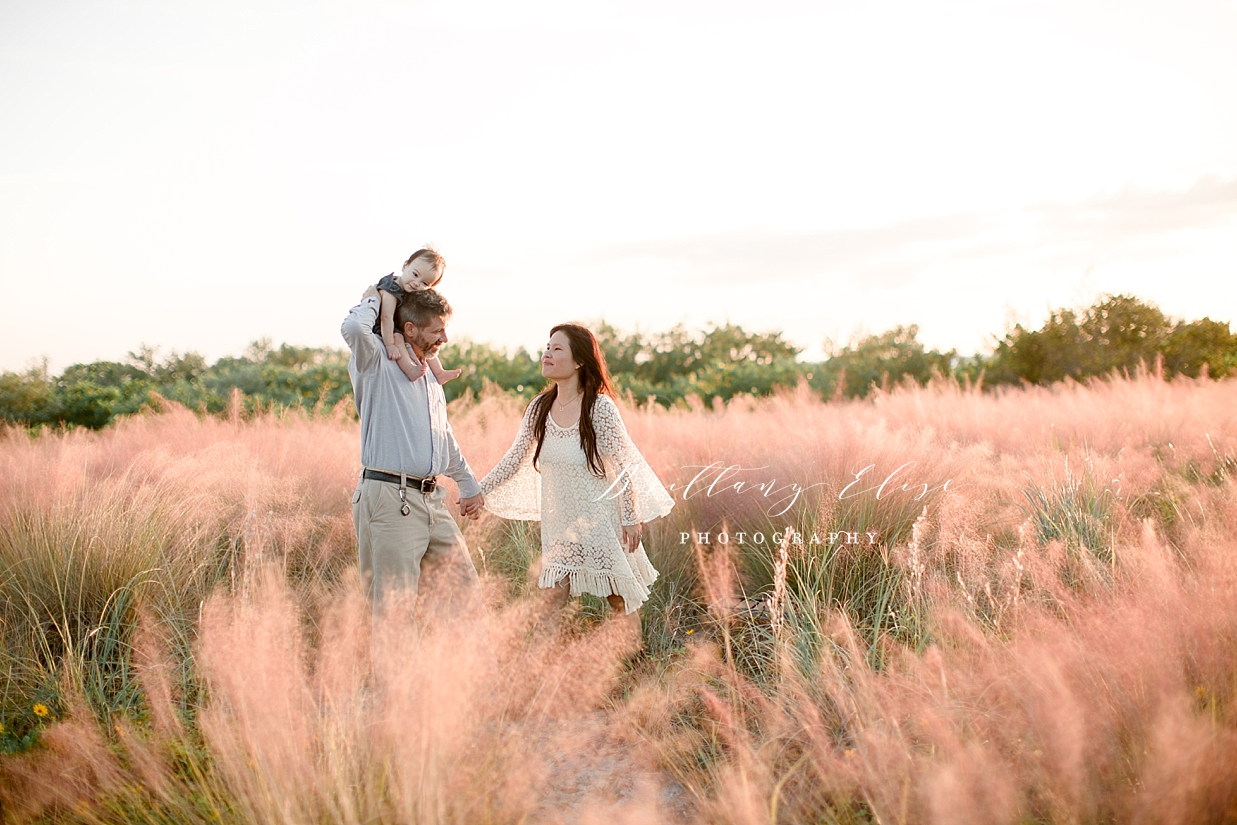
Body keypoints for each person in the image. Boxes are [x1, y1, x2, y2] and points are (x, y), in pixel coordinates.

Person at [480, 323, 675, 638]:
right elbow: (514, 458)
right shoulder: (539, 408)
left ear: (579, 361)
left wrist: (629, 517)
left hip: (602, 520)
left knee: (618, 598)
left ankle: (633, 664)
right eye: (547, 346)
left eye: (557, 349)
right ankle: (542, 666)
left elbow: (624, 465)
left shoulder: (599, 408)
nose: (548, 353)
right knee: (552, 595)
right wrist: (478, 491)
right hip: (561, 524)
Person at [341, 283, 485, 616]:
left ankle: (459, 670)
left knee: (466, 595)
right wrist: (379, 297)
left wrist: (467, 483)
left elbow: (441, 435)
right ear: (409, 328)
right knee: (394, 612)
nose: (444, 339)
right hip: (390, 498)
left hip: (432, 500)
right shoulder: (375, 359)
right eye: (437, 331)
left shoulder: (429, 373)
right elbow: (351, 327)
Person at [373, 246, 462, 387]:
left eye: (425, 283)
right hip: (384, 327)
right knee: (398, 338)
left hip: (397, 323)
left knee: (428, 342)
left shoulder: (411, 288)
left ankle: (439, 372)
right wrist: (390, 345)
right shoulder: (390, 289)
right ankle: (410, 369)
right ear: (405, 265)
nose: (416, 283)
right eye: (415, 274)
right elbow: (386, 318)